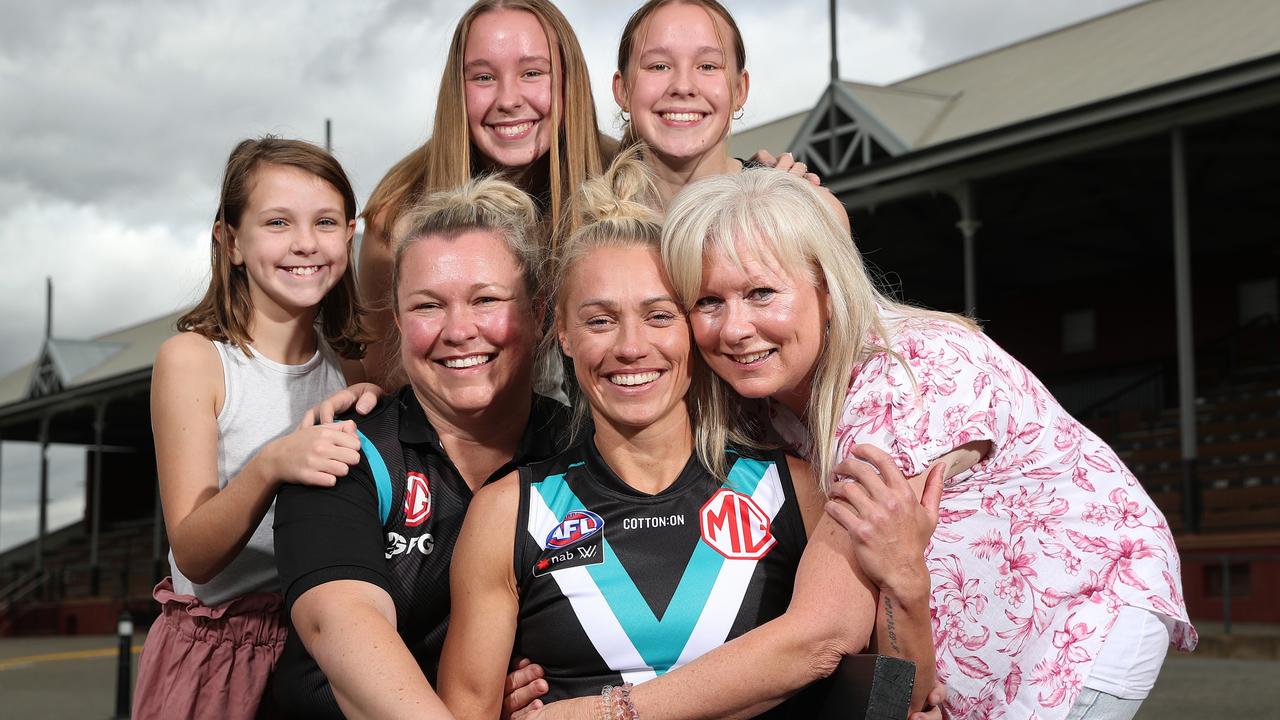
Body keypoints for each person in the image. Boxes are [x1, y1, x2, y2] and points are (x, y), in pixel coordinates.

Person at [661, 168, 1198, 720]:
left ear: (828, 287)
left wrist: (607, 712)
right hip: (973, 658)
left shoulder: (907, 375)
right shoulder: (767, 398)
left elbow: (821, 633)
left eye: (761, 293)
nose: (733, 328)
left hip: (1077, 628)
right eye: (708, 301)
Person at [438, 149, 940, 720]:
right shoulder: (509, 512)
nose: (630, 347)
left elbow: (902, 699)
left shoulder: (793, 489)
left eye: (659, 315)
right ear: (564, 333)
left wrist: (907, 588)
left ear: (694, 328)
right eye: (600, 320)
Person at [271, 176, 572, 719]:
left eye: (486, 300)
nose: (458, 330)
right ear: (399, 324)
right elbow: (342, 624)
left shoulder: (583, 449)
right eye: (428, 306)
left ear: (541, 314)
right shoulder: (343, 451)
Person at [134, 138, 370, 720]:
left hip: (324, 647)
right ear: (231, 240)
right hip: (223, 655)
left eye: (325, 222)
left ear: (350, 234)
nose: (305, 243)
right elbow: (193, 553)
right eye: (277, 222)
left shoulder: (355, 367)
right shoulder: (195, 359)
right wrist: (271, 464)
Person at [360, 0, 613, 388]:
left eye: (532, 72)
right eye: (482, 78)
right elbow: (384, 378)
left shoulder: (623, 180)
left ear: (567, 80)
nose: (508, 99)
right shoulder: (397, 212)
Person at [611, 0, 848, 227]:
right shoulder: (584, 219)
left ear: (739, 89)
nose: (683, 87)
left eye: (708, 66)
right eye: (659, 66)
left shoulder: (803, 214)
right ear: (622, 90)